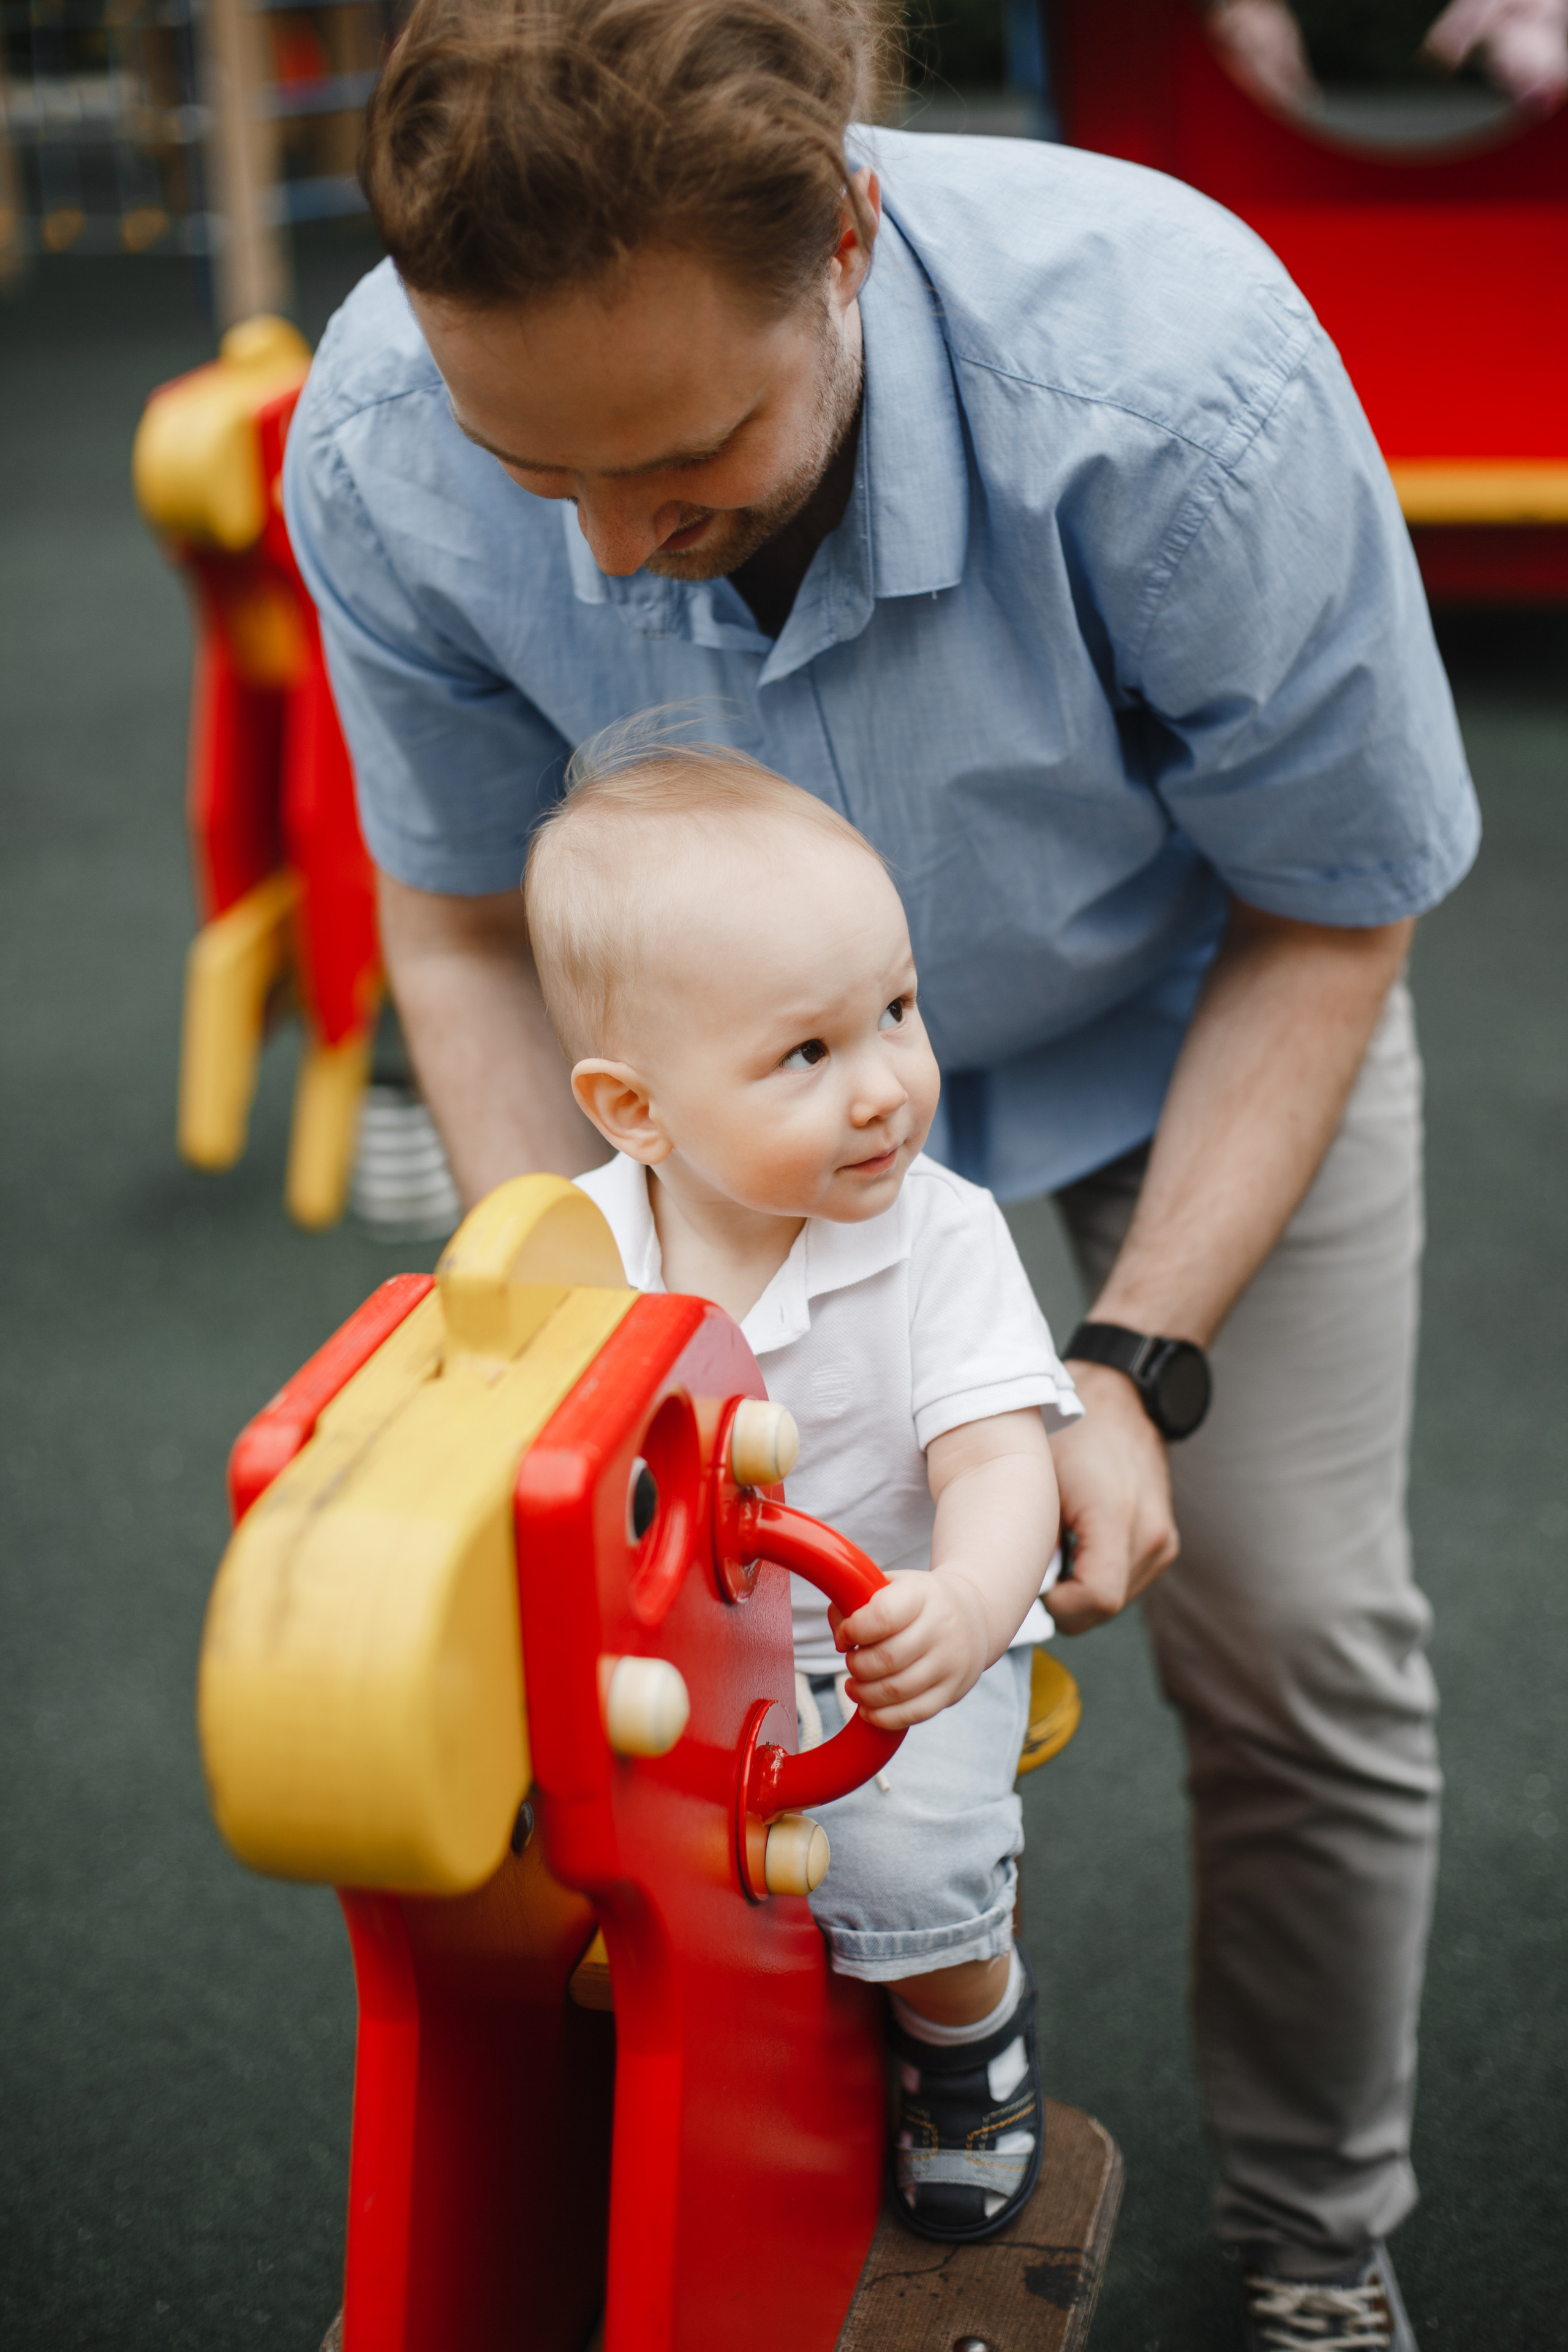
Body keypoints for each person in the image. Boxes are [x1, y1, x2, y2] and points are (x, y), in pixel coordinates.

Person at [284, 2, 1481, 2340]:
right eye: (543, 470)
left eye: (685, 455)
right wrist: (589, 1359)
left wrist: (1127, 1365)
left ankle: (1320, 2244)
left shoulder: (1179, 383)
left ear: (843, 237)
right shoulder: (383, 439)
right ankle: (770, 2137)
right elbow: (458, 917)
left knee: (1301, 1641)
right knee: (631, 1660)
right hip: (713, 1102)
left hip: (1186, 1005)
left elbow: (1335, 903)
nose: (609, 546)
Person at [525, 727, 1080, 2239]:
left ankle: (966, 2038)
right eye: (806, 1055)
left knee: (901, 1868)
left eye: (895, 1010)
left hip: (886, 1642)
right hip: (670, 1658)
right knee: (533, 1849)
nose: (885, 1086)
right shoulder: (582, 1249)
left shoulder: (936, 1237)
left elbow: (999, 1461)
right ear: (635, 1110)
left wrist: (966, 1601)